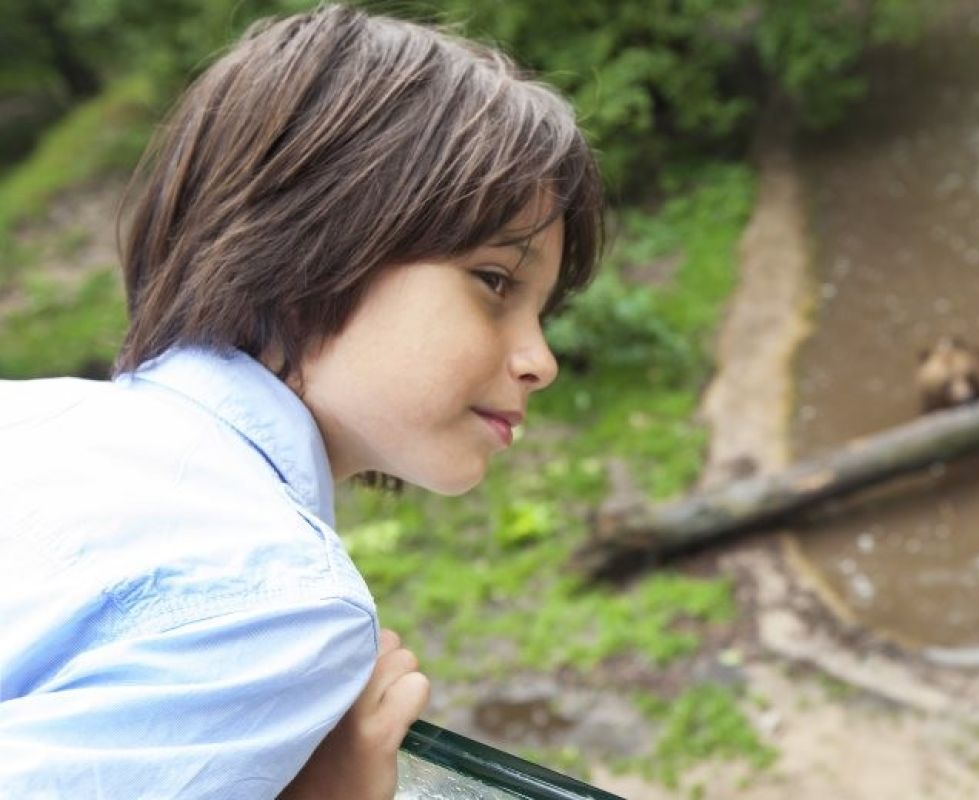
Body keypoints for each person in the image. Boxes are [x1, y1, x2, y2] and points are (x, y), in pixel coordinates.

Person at [0, 5, 603, 798]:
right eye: (493, 282)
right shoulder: (279, 602)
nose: (540, 361)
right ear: (306, 247)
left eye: (542, 311)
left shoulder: (34, 417)